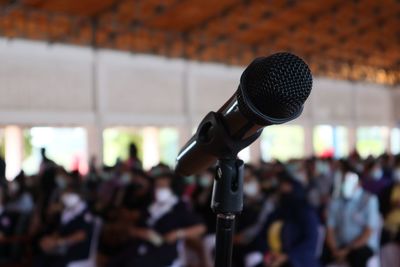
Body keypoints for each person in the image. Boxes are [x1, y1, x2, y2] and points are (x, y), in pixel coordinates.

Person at [109, 172, 206, 267]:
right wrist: (139, 232)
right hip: (138, 246)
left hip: (161, 251)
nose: (158, 190)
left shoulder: (179, 208)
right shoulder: (151, 206)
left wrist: (177, 234)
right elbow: (136, 224)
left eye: (162, 187)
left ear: (173, 188)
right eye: (157, 186)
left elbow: (201, 227)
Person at [263, 171, 320, 267]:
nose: (283, 191)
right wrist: (268, 254)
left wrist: (286, 256)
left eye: (287, 187)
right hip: (274, 257)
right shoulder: (278, 212)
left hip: (299, 260)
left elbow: (310, 241)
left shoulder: (306, 212)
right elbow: (263, 234)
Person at [324, 171, 380, 267]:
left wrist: (347, 250)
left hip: (361, 245)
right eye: (344, 180)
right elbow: (330, 229)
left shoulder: (369, 200)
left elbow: (368, 232)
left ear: (359, 183)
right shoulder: (336, 201)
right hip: (339, 244)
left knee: (358, 257)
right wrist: (334, 249)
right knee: (321, 256)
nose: (346, 183)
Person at [36, 185, 94, 267]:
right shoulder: (67, 212)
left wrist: (57, 242)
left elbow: (81, 235)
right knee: (41, 256)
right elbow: (60, 230)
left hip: (76, 251)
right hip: (63, 248)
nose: (65, 197)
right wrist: (50, 240)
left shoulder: (85, 213)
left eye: (68, 194)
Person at [233, 165, 275, 267]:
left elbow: (261, 224)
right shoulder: (240, 201)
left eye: (250, 180)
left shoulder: (266, 202)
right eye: (245, 181)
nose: (247, 184)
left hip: (258, 241)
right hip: (238, 241)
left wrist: (243, 236)